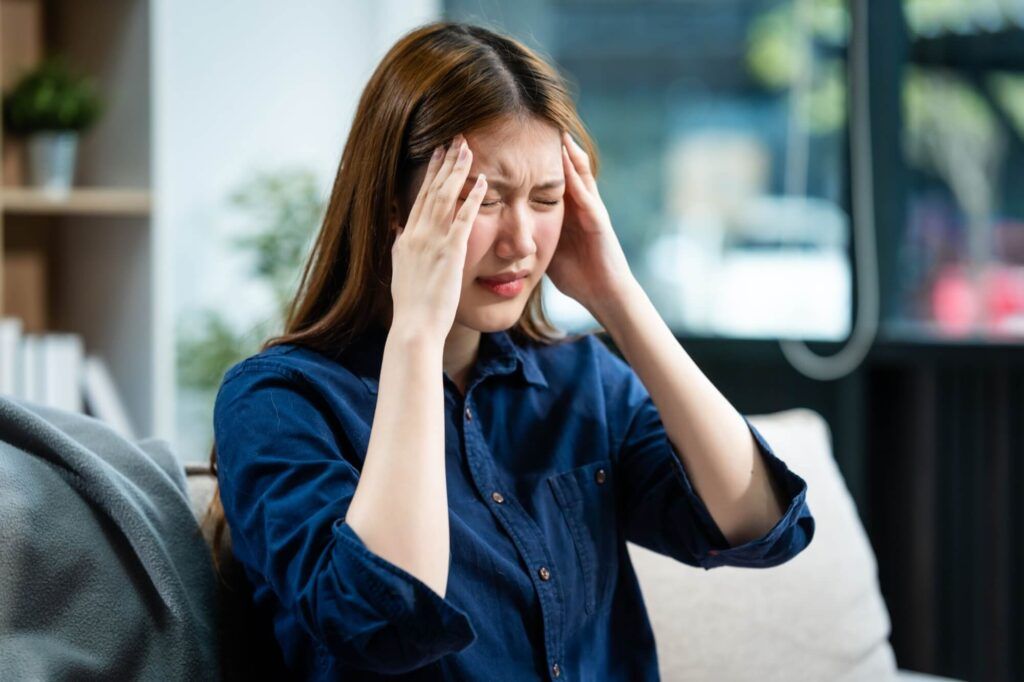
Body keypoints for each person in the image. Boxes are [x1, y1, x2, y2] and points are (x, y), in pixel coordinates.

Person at [207, 20, 815, 681]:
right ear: (395, 209)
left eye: (546, 198)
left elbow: (759, 525)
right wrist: (416, 331)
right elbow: (383, 623)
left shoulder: (583, 383)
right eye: (485, 199)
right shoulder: (278, 403)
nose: (521, 240)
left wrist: (617, 294)